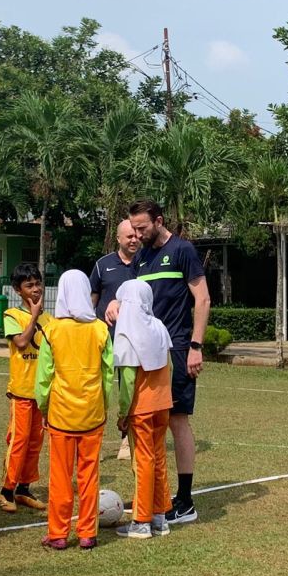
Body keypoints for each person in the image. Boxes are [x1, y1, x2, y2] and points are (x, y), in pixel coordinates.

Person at [106, 199, 210, 526]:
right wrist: (113, 303)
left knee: (177, 419)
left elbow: (203, 298)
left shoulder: (182, 251)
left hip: (176, 349)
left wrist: (195, 345)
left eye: (142, 228)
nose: (136, 235)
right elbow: (131, 296)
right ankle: (154, 496)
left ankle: (185, 499)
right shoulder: (141, 258)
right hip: (143, 353)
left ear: (159, 221)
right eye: (132, 229)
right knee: (146, 423)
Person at [35, 270, 113, 550]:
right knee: (89, 475)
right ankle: (87, 532)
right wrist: (103, 405)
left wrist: (44, 407)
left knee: (60, 476)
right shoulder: (100, 329)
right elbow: (108, 375)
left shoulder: (52, 330)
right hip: (92, 413)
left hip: (61, 414)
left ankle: (58, 533)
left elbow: (44, 377)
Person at [113, 280, 173, 539]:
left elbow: (127, 381)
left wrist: (123, 413)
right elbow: (169, 365)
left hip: (141, 408)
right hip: (163, 403)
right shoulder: (159, 326)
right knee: (159, 459)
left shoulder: (126, 331)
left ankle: (141, 521)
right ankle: (160, 517)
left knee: (143, 462)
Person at [0, 263, 51, 514]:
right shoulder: (12, 315)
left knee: (35, 442)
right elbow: (20, 342)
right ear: (18, 290)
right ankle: (6, 490)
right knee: (18, 441)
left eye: (38, 283)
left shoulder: (50, 320)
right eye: (29, 285)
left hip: (41, 393)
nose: (36, 289)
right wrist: (33, 315)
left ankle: (24, 488)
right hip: (21, 391)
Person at [90, 219, 139, 461]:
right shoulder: (103, 265)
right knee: (99, 391)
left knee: (128, 390)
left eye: (136, 235)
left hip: (133, 341)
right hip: (104, 338)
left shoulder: (146, 264)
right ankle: (94, 442)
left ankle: (125, 441)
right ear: (118, 239)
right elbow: (92, 299)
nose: (133, 239)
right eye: (128, 236)